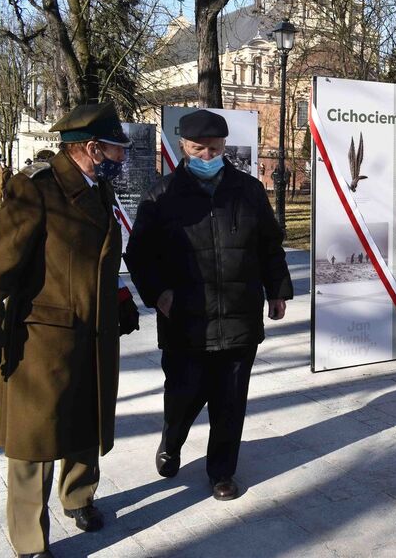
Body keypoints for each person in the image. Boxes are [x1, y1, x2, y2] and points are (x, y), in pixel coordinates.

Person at [0, 102, 139, 558]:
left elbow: (88, 261)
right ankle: (30, 542)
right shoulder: (36, 191)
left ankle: (79, 497)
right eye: (116, 149)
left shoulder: (96, 189)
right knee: (33, 443)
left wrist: (116, 299)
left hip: (92, 333)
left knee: (85, 421)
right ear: (91, 148)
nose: (122, 158)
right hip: (42, 340)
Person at [125, 109, 293, 502]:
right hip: (185, 317)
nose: (206, 156)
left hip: (238, 316)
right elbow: (138, 254)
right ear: (183, 146)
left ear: (224, 148)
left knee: (230, 401)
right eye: (198, 149)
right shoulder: (162, 195)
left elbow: (269, 244)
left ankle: (222, 471)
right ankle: (172, 440)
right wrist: (159, 293)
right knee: (183, 394)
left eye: (214, 149)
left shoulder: (248, 190)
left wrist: (278, 289)